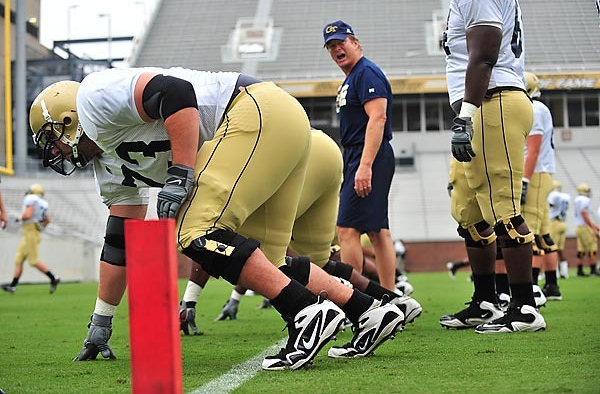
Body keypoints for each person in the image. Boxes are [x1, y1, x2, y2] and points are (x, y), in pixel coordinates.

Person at [28, 68, 401, 370]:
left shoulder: (94, 97)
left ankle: (306, 312)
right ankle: (366, 310)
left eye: (51, 139)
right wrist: (102, 321)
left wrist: (181, 173)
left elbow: (173, 92)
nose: (55, 151)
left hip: (254, 109)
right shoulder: (107, 165)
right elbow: (118, 242)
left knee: (194, 232)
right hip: (277, 121)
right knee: (268, 264)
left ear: (66, 119)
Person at [180, 130, 410, 359]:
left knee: (252, 250)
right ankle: (385, 305)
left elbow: (204, 236)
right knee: (320, 261)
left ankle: (310, 314)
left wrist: (191, 299)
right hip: (321, 147)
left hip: (292, 150)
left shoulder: (188, 147)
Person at [438, 0, 545, 333]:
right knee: (469, 213)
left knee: (504, 212)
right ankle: (486, 301)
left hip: (492, 102)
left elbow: (485, 55)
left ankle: (525, 307)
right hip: (483, 104)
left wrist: (466, 117)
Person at [323, 20, 397, 291]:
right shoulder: (353, 77)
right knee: (377, 231)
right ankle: (389, 296)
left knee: (347, 230)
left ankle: (353, 298)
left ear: (355, 42)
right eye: (331, 46)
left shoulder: (366, 73)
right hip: (360, 154)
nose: (336, 49)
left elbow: (378, 118)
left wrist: (365, 166)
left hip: (369, 155)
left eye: (341, 42)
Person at [520, 72, 562, 300]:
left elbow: (533, 149)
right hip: (542, 173)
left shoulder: (533, 109)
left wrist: (525, 180)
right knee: (544, 234)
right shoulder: (540, 108)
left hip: (535, 174)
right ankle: (553, 285)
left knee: (530, 233)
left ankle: (532, 287)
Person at [1, 184, 60, 294]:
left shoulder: (31, 199)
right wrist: (38, 228)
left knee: (33, 260)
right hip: (32, 231)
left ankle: (54, 278)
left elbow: (28, 215)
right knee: (19, 259)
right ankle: (12, 285)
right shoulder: (41, 202)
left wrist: (19, 218)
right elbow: (47, 221)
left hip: (30, 232)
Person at [573, 183, 599, 277]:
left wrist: (594, 225)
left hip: (578, 226)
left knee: (582, 249)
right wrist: (592, 226)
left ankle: (579, 271)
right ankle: (593, 270)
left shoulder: (577, 199)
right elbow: (584, 214)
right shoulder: (585, 200)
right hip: (584, 226)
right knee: (592, 248)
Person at [547, 180, 570, 279]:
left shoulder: (553, 195)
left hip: (554, 222)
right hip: (563, 222)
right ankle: (564, 272)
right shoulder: (565, 196)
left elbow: (549, 204)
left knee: (552, 248)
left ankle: (554, 272)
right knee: (560, 249)